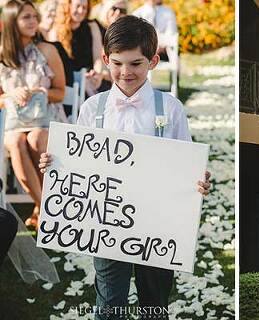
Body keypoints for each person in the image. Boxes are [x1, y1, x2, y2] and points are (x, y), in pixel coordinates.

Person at [38, 16, 210, 320]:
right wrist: (57, 165)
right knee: (108, 304)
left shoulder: (170, 109)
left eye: (135, 63)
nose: (125, 72)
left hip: (159, 224)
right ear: (105, 59)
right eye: (117, 63)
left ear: (153, 61)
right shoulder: (93, 109)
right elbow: (79, 164)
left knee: (154, 305)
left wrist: (197, 180)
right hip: (107, 223)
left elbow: (186, 161)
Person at [0, 0, 67, 228]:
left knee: (35, 137)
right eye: (26, 17)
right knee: (15, 140)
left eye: (34, 16)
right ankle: (48, 209)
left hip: (46, 117)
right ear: (11, 21)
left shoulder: (48, 50)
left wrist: (41, 92)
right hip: (14, 122)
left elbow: (61, 92)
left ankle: (41, 209)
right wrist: (10, 94)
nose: (33, 21)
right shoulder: (2, 55)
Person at [47, 0, 109, 101]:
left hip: (91, 74)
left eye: (84, 7)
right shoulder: (56, 31)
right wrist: (80, 77)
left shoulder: (92, 25)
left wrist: (97, 74)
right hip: (69, 78)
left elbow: (97, 57)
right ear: (69, 6)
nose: (81, 11)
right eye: (78, 6)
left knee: (103, 87)